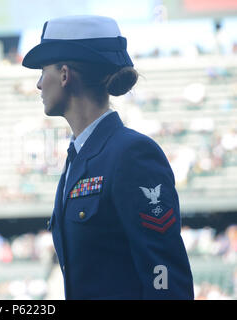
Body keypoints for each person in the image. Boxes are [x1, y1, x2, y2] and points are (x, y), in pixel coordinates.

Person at [22, 15, 194, 299]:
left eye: (43, 71)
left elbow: (164, 273)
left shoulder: (131, 154)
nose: (39, 84)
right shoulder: (79, 157)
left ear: (65, 75)